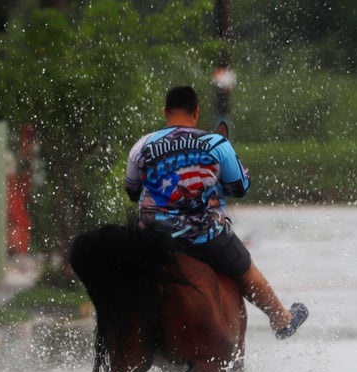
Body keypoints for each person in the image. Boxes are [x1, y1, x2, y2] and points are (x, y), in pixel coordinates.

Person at [125, 85, 308, 339]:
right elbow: (240, 187)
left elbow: (132, 190)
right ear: (196, 112)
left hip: (153, 237)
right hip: (204, 235)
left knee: (121, 277)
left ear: (165, 111)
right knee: (244, 268)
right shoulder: (215, 143)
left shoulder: (141, 146)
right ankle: (280, 318)